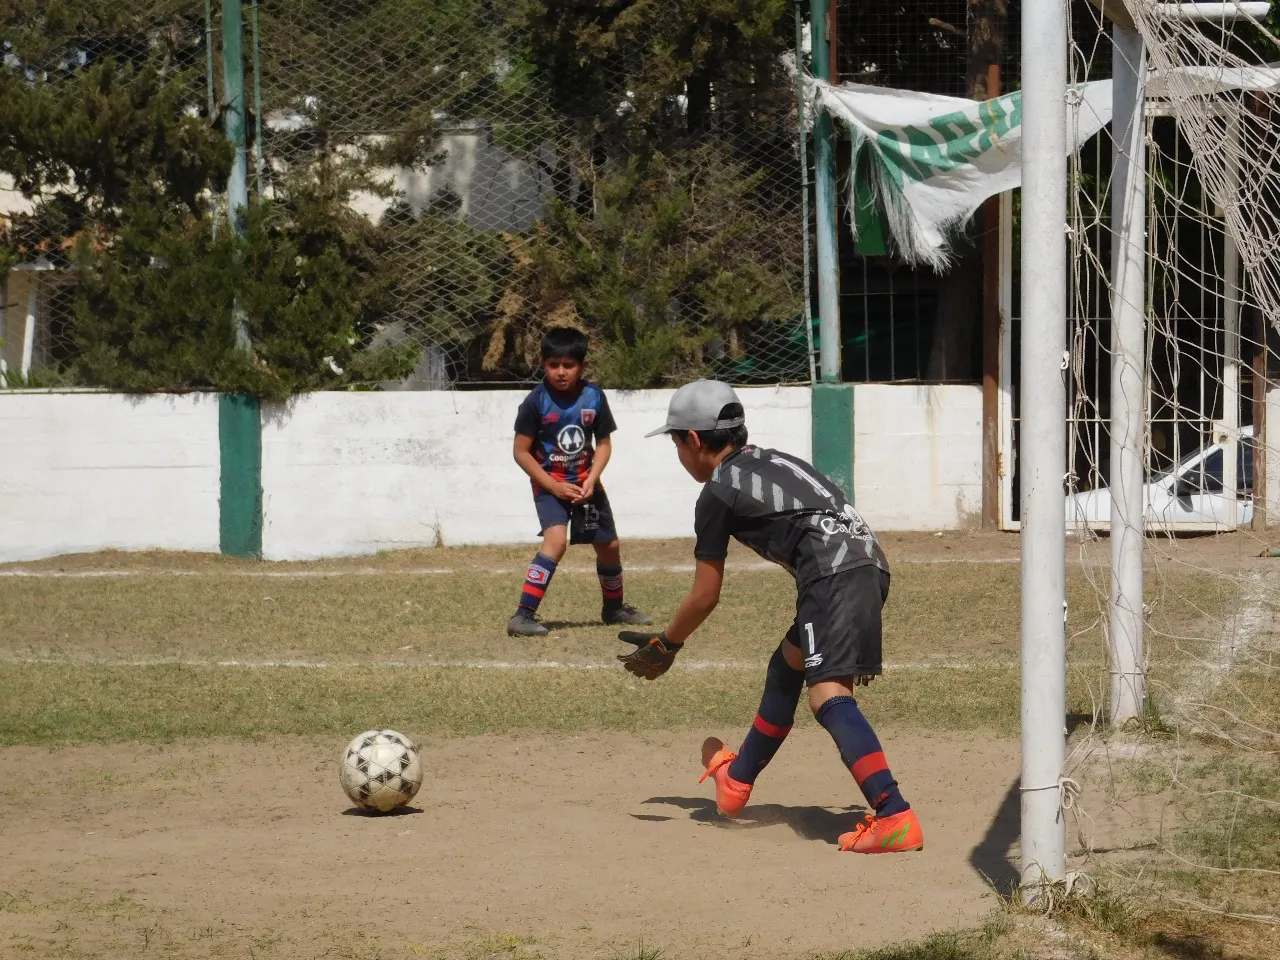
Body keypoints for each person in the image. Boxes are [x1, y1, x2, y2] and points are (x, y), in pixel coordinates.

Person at [616, 380, 924, 853]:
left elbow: (705, 595)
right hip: (867, 564)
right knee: (787, 666)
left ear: (693, 440)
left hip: (832, 576)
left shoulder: (717, 492)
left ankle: (894, 813)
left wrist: (667, 643)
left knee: (828, 696)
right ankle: (736, 783)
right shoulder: (772, 460)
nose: (678, 454)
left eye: (675, 443)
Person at [507, 327, 652, 638]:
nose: (561, 372)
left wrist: (592, 478)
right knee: (556, 542)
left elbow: (603, 444)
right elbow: (521, 452)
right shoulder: (535, 402)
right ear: (543, 364)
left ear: (582, 366)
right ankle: (523, 615)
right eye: (553, 365)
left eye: (569, 365)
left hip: (586, 485)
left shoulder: (593, 397)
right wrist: (552, 486)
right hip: (550, 486)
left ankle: (614, 609)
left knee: (609, 545)